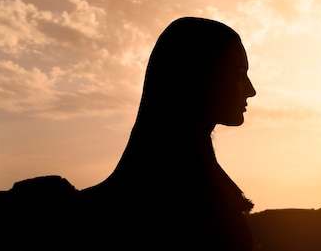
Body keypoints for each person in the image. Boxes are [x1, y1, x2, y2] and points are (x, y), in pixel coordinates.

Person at [70, 17, 257, 250]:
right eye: (239, 73)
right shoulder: (188, 209)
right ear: (198, 76)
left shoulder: (105, 208)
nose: (251, 90)